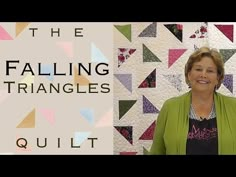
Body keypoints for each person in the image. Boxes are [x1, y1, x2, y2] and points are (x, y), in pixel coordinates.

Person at [148, 46, 236, 155]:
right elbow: (157, 151)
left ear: (218, 77)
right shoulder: (170, 107)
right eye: (198, 69)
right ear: (189, 74)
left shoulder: (234, 107)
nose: (203, 75)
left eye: (210, 71)